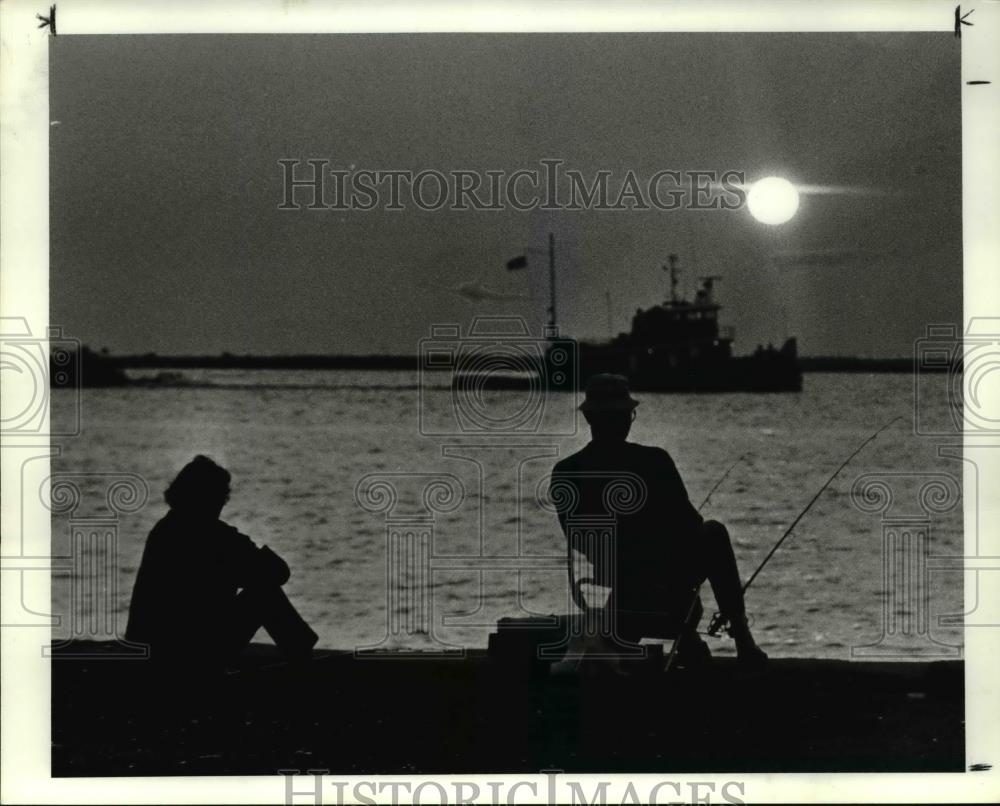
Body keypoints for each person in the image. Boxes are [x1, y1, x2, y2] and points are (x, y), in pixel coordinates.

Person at [549, 374, 767, 665]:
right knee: (712, 532)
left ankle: (688, 634)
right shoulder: (654, 461)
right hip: (660, 581)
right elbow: (691, 524)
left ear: (589, 416)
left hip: (620, 586)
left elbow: (580, 541)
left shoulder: (566, 471)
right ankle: (742, 638)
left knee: (661, 565)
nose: (626, 420)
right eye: (625, 414)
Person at [125, 455, 318, 669]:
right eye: (220, 497)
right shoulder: (216, 536)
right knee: (265, 595)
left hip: (149, 653)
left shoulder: (163, 530)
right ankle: (304, 663)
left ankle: (303, 654)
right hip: (190, 654)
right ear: (213, 498)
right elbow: (280, 572)